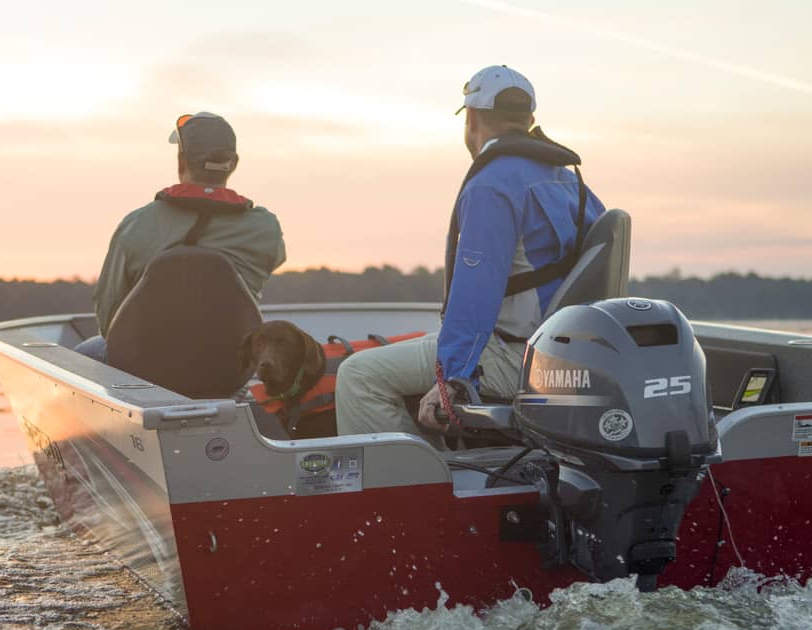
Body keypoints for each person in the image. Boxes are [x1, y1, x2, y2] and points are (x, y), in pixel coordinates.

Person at [335, 65, 605, 441]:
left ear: (472, 118)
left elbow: (474, 298)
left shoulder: (491, 186)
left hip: (520, 360)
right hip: (569, 355)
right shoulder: (570, 180)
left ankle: (419, 491)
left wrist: (453, 379)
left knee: (359, 375)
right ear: (529, 119)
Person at [77, 111, 286, 361]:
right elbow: (273, 261)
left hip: (146, 367)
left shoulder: (136, 225)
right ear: (234, 163)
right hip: (227, 369)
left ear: (180, 162)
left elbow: (108, 316)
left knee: (80, 356)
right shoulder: (265, 229)